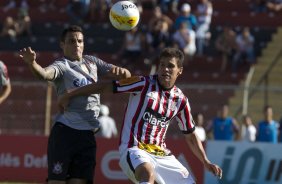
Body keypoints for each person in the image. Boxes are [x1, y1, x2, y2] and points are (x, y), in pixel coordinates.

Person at [58, 47, 223, 184]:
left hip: (162, 154)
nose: (165, 69)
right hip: (133, 149)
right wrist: (71, 94)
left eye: (170, 66)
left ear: (179, 71)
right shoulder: (142, 83)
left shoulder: (181, 100)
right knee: (147, 174)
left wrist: (206, 162)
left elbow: (191, 136)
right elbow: (105, 86)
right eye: (162, 65)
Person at [19, 25, 131, 184]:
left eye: (80, 41)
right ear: (62, 45)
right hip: (66, 132)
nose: (77, 44)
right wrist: (32, 63)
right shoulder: (62, 65)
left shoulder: (92, 61)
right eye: (71, 41)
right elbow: (44, 74)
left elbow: (124, 75)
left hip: (87, 134)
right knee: (56, 182)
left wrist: (124, 72)